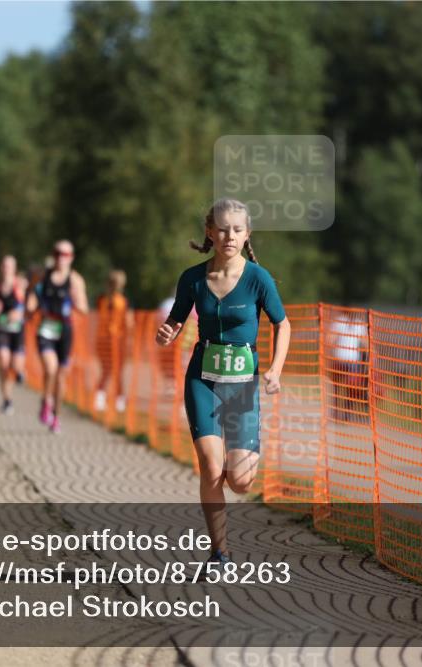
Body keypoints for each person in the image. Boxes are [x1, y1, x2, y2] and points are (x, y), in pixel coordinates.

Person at [155, 198, 291, 571]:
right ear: (209, 231)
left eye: (237, 229)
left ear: (246, 234)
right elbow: (175, 322)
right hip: (203, 381)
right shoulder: (193, 279)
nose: (229, 235)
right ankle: (220, 553)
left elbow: (283, 324)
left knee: (242, 482)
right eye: (222, 228)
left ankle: (238, 477)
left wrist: (275, 370)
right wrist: (166, 333)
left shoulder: (258, 279)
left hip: (242, 387)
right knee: (211, 467)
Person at [26, 240, 89, 434]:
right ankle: (46, 400)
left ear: (71, 258)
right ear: (53, 255)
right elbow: (32, 298)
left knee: (61, 377)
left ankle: (56, 416)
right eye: (58, 253)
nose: (61, 257)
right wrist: (30, 308)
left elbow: (85, 309)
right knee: (50, 368)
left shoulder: (76, 280)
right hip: (46, 328)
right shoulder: (42, 277)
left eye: (65, 254)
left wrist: (76, 300)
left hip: (65, 331)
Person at [0, 255, 26, 414]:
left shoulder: (21, 285)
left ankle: (19, 373)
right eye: (4, 266)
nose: (7, 269)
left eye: (10, 266)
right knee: (4, 363)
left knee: (15, 366)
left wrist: (18, 312)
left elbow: (28, 305)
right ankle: (7, 400)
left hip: (17, 330)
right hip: (2, 329)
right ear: (1, 268)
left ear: (14, 268)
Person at [95, 269, 133, 413]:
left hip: (105, 339)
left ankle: (102, 397)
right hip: (115, 341)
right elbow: (129, 323)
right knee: (115, 371)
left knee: (108, 370)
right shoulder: (122, 302)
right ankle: (117, 399)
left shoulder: (101, 300)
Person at [324, 310, 369, 423]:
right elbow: (366, 344)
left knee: (338, 387)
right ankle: (346, 413)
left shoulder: (340, 321)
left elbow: (329, 339)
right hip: (351, 361)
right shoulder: (359, 324)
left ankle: (337, 411)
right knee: (350, 388)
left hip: (341, 359)